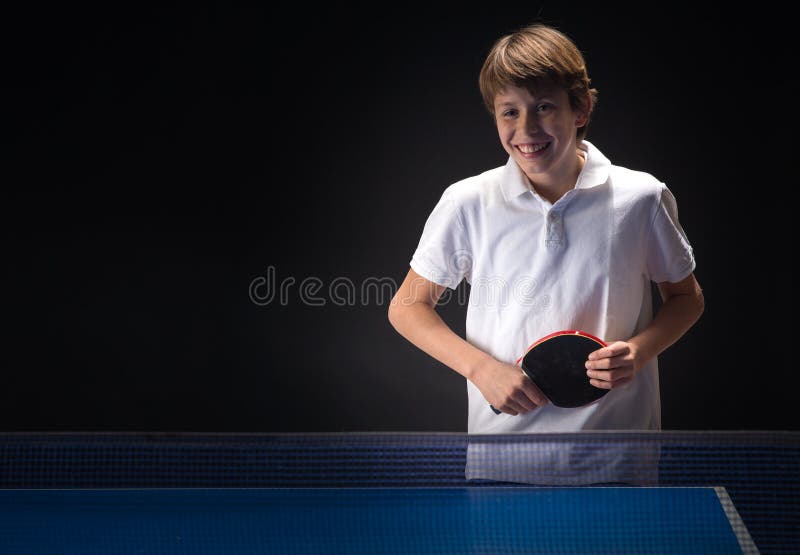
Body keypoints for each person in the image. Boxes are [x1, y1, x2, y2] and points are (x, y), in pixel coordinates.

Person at [387, 21, 704, 474]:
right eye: (509, 112)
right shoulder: (467, 202)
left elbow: (686, 297)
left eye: (543, 107)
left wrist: (638, 352)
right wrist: (482, 370)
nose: (526, 128)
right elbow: (406, 307)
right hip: (504, 461)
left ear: (581, 109)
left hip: (615, 460)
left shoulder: (641, 198)